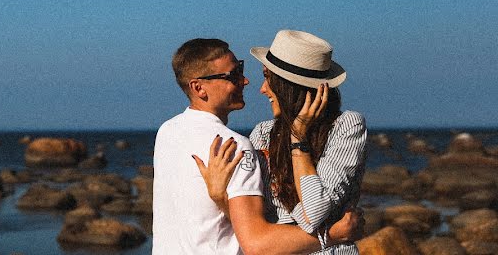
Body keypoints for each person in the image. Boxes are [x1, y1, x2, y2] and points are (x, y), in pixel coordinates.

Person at [153, 38, 361, 255]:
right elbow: (256, 239)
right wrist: (334, 233)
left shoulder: (167, 131)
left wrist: (298, 138)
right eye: (233, 75)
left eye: (240, 70)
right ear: (198, 88)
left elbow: (306, 214)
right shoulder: (247, 141)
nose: (248, 82)